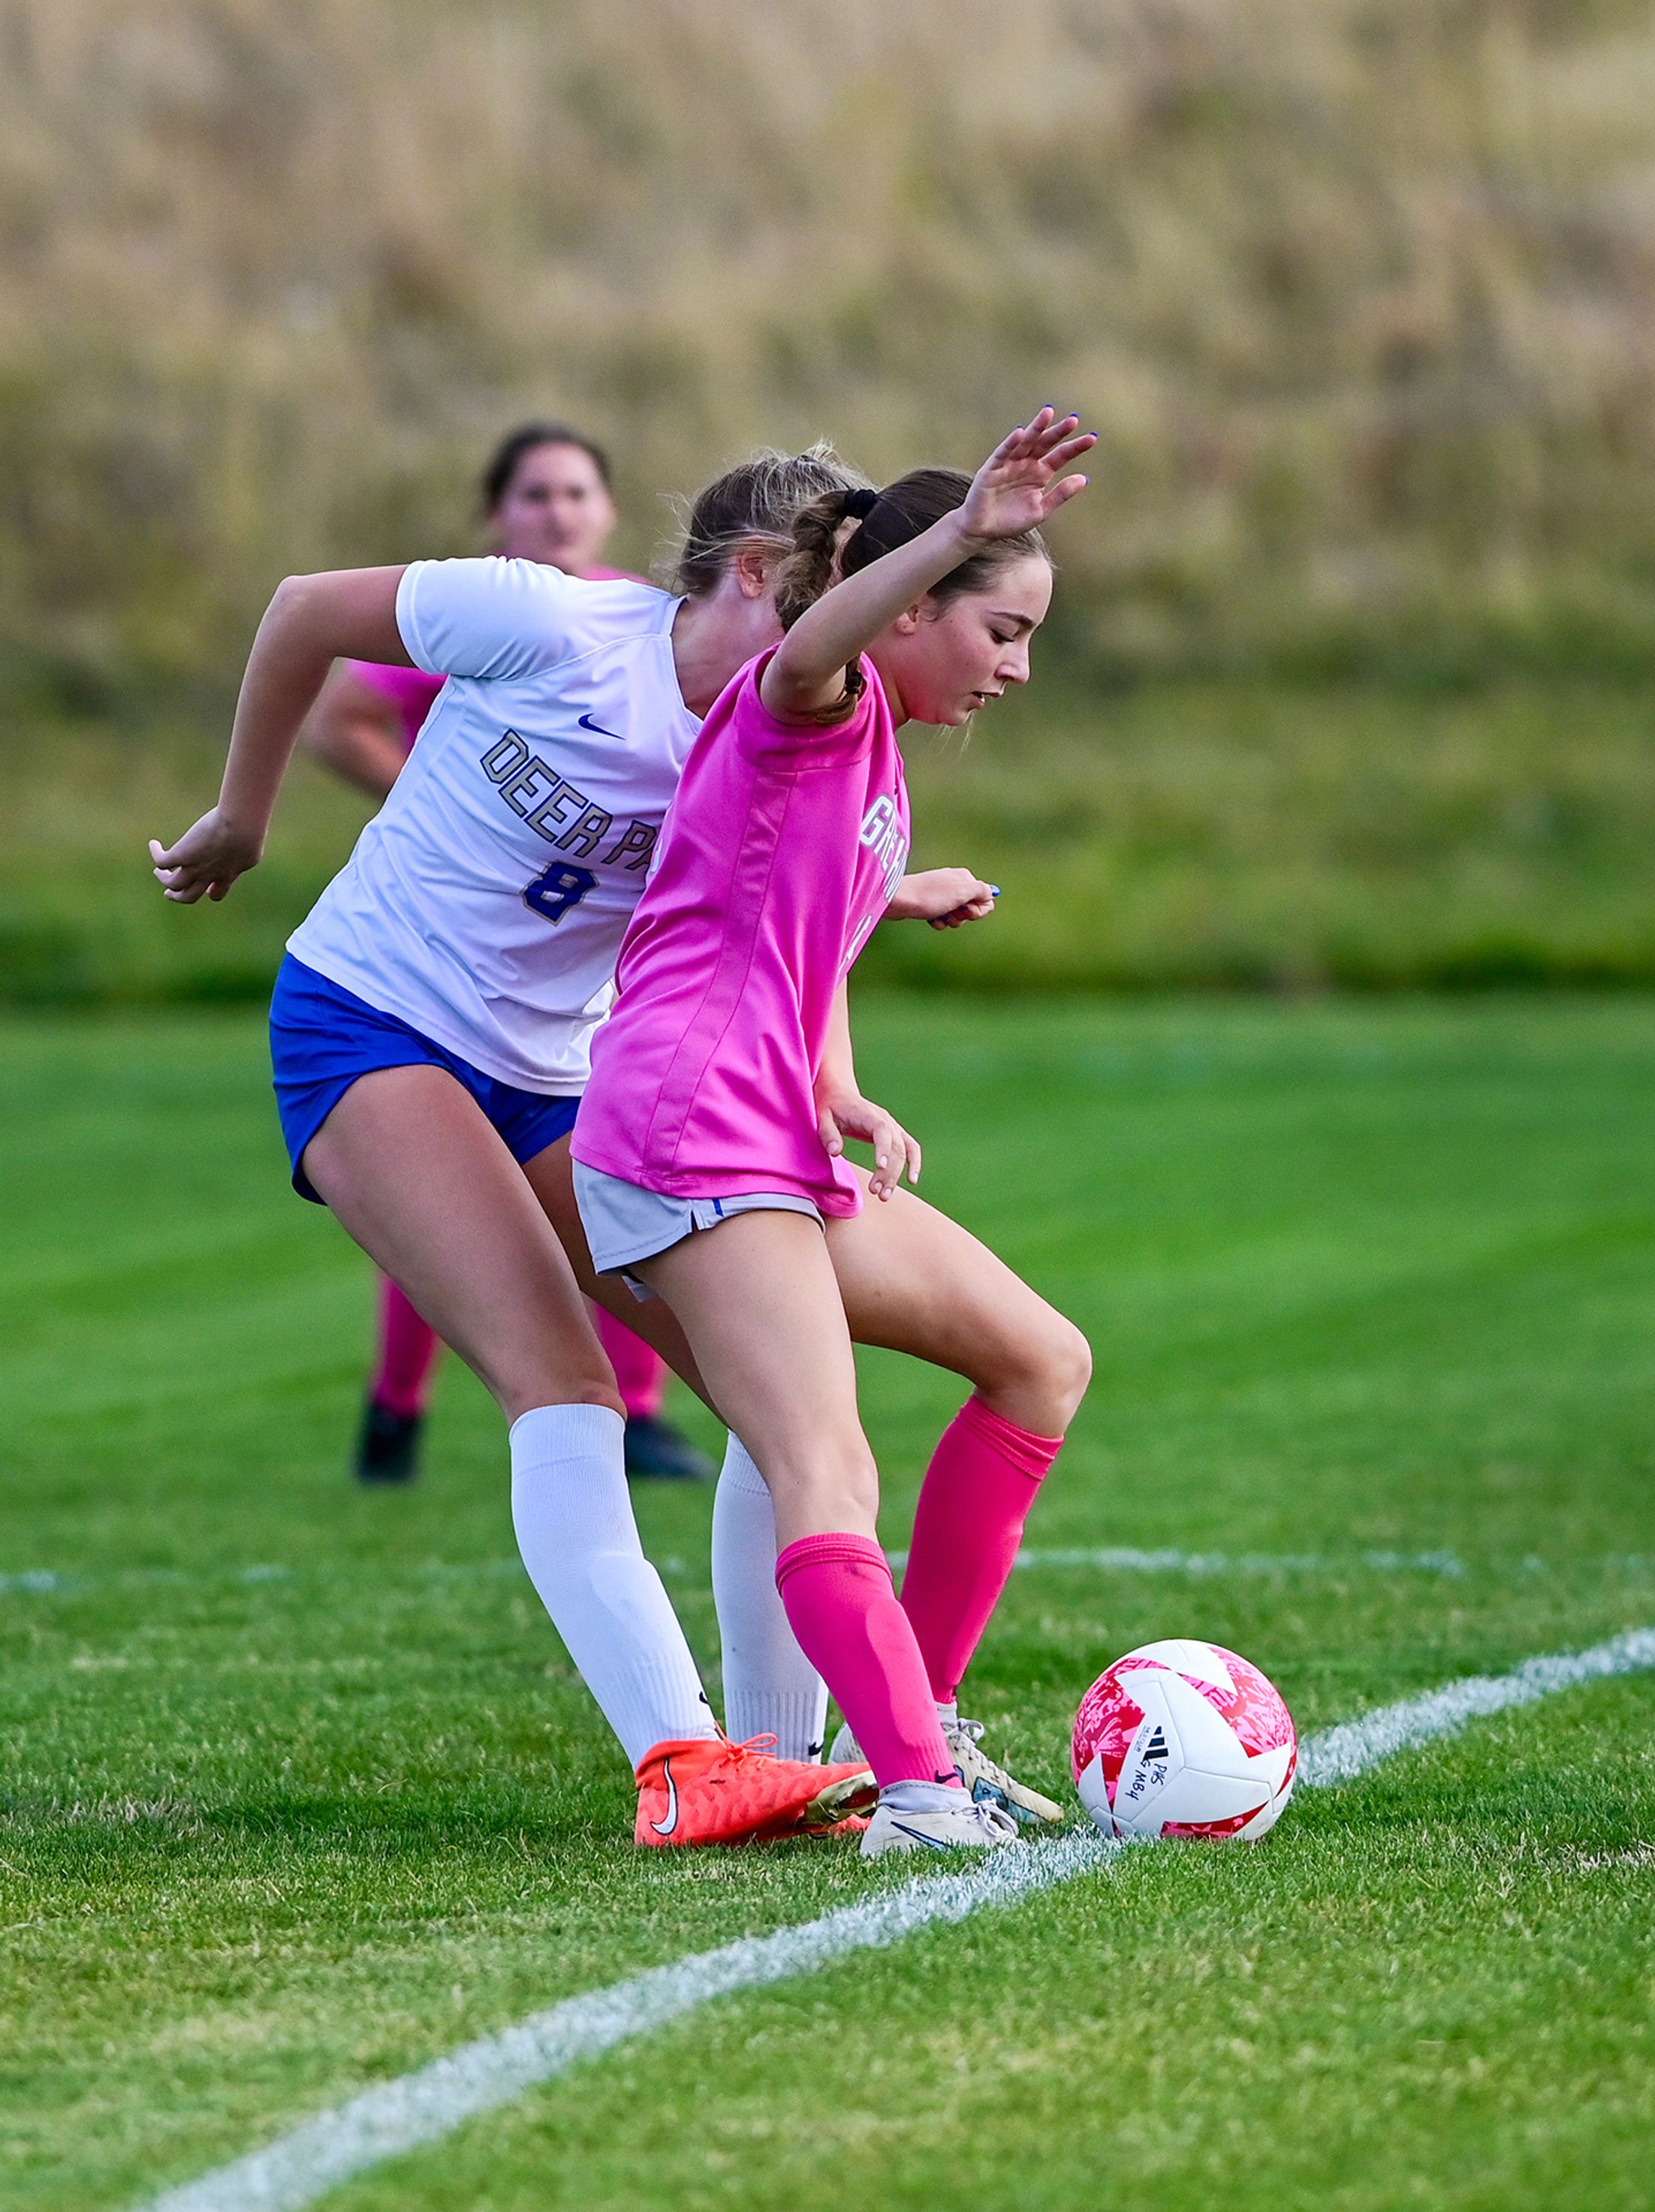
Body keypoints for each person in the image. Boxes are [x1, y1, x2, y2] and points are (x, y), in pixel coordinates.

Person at [150, 446, 891, 1846]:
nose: (854, 647)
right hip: (369, 1025)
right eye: (837, 602)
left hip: (562, 1079)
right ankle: (679, 1763)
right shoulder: (548, 621)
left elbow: (784, 887)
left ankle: (781, 1759)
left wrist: (886, 906)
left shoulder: (777, 726)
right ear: (750, 575)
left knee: (772, 1394)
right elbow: (306, 607)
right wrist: (243, 819)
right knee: (564, 1384)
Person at [573, 411, 1097, 1855]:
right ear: (911, 601)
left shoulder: (879, 754)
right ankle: (917, 1794)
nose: (1019, 666)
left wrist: (838, 1076)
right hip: (686, 1132)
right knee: (827, 1472)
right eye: (1001, 626)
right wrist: (953, 521)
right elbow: (812, 649)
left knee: (1042, 1361)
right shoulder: (811, 692)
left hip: (766, 1129)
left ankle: (914, 1732)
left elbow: (787, 918)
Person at [297, 421, 712, 1486]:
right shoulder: (477, 606)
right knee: (452, 1186)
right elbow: (339, 713)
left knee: (615, 1184)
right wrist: (457, 812)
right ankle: (397, 1408)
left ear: (610, 511)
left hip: (576, 967)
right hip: (431, 961)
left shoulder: (666, 639)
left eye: (577, 492)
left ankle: (652, 1411)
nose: (559, 513)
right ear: (498, 515)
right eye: (534, 495)